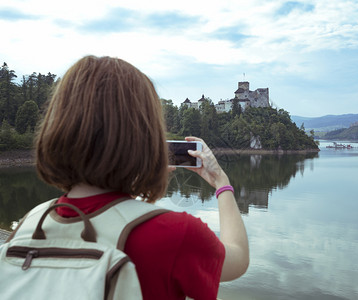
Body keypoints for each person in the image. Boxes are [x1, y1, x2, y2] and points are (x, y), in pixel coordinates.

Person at [34, 55, 249, 299]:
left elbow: (103, 216)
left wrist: (133, 187)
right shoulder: (175, 234)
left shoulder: (32, 223)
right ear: (146, 136)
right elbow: (238, 258)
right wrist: (221, 181)